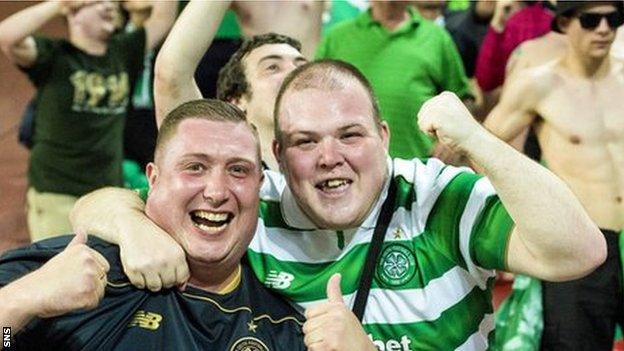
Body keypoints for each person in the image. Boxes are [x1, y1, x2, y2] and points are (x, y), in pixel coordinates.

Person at [73, 57, 605, 349]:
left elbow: (579, 251)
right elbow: (91, 208)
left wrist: (478, 140)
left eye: (349, 135)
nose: (330, 157)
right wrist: (129, 223)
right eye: (306, 142)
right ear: (277, 155)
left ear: (383, 137)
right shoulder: (252, 207)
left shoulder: (433, 194)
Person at [0, 99, 306, 350]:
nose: (216, 192)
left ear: (259, 186)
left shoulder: (285, 328)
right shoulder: (75, 272)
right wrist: (18, 304)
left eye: (238, 170)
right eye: (195, 167)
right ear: (154, 180)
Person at [483, 2, 624, 349]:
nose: (604, 29)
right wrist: (522, 222)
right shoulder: (539, 84)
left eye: (614, 18)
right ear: (565, 23)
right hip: (583, 243)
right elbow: (484, 148)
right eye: (591, 20)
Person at [0, 0, 177, 241]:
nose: (109, 7)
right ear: (73, 13)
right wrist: (59, 4)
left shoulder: (123, 52)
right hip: (57, 195)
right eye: (97, 2)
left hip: (107, 194)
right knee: (61, 273)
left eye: (112, 2)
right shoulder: (56, 56)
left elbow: (163, 18)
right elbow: (7, 36)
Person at [154, 0, 307, 170]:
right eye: (272, 67)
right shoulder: (212, 149)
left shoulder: (336, 158)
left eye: (301, 66)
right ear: (237, 100)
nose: (294, 73)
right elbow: (172, 74)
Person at [315, 1, 472, 160]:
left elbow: (463, 99)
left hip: (420, 168)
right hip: (350, 166)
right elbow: (314, 101)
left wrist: (450, 141)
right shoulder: (336, 38)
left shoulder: (437, 38)